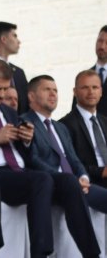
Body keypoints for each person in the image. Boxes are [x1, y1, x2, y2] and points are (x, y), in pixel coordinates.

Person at [0, 59, 99, 258]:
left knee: (69, 182)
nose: (1, 94)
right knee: (41, 179)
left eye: (5, 88)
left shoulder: (8, 111)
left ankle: (92, 253)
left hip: (19, 172)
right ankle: (40, 252)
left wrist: (26, 140)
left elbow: (23, 153)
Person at [23, 74, 107, 217]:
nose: (53, 94)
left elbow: (74, 160)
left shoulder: (59, 127)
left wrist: (83, 178)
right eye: (47, 90)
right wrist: (72, 180)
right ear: (31, 96)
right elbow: (33, 159)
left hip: (79, 183)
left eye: (55, 90)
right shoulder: (25, 124)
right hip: (56, 184)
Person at [61, 70, 107, 188]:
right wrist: (101, 171)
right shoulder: (64, 124)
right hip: (91, 182)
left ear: (101, 92)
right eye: (85, 88)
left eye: (95, 87)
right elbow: (70, 163)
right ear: (75, 92)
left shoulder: (105, 121)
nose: (91, 92)